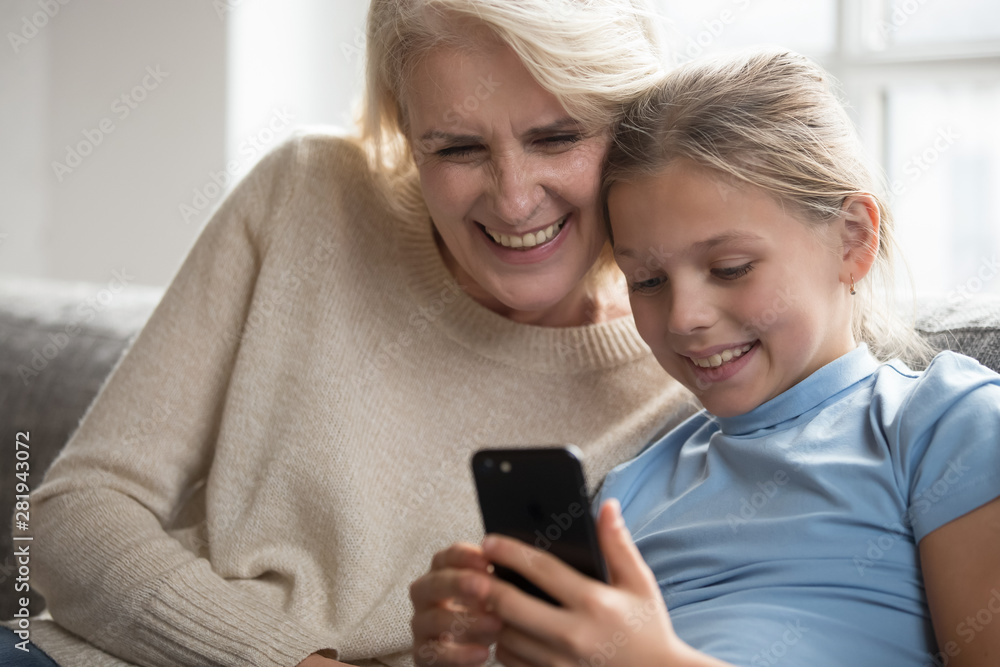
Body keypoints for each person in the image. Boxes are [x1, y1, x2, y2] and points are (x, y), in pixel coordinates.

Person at [7, 2, 696, 666]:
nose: (515, 200)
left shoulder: (691, 376)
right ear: (402, 127)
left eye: (558, 137)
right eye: (457, 146)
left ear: (633, 124)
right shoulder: (307, 193)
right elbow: (71, 517)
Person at [409, 50, 1000, 666]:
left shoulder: (942, 425)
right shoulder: (629, 488)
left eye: (730, 268)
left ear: (852, 238)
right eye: (647, 281)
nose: (685, 316)